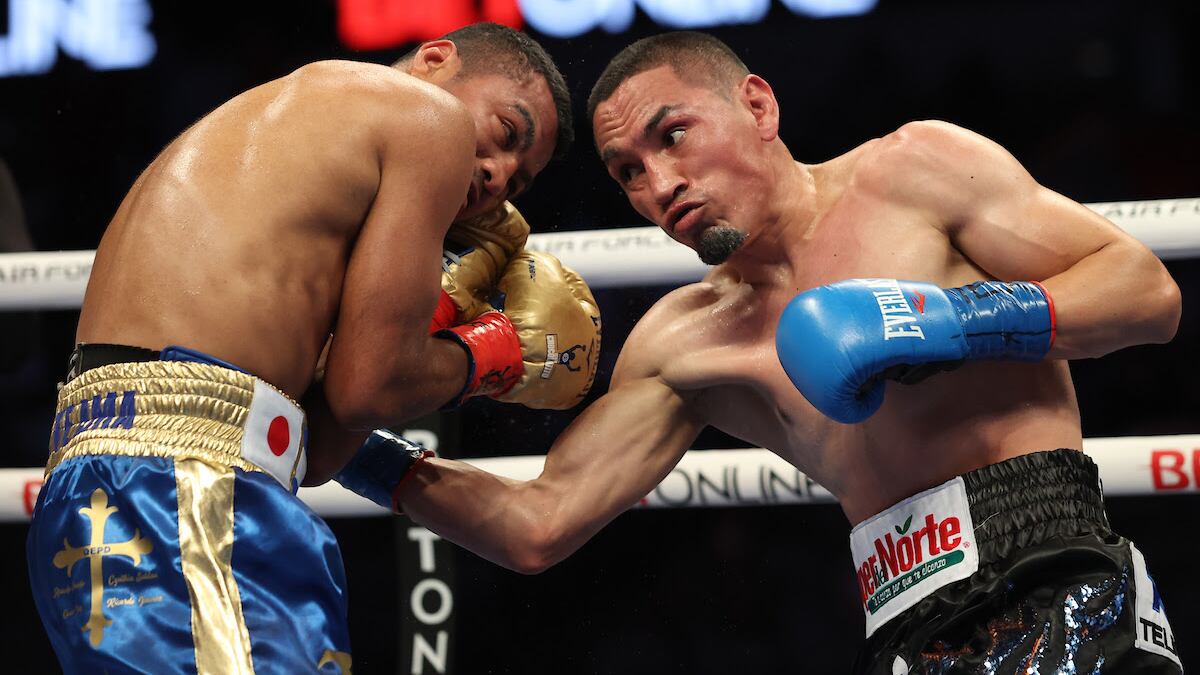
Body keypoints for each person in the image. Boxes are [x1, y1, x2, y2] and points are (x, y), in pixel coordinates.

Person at [351, 32, 1183, 673]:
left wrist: (953, 321)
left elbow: (1147, 292)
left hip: (1054, 571)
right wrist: (345, 435)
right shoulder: (686, 341)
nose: (659, 186)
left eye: (674, 135)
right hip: (902, 624)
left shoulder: (915, 173)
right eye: (628, 172)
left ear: (757, 105)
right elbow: (537, 523)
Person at [26, 23, 602, 673]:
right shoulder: (427, 117)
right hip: (186, 495)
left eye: (519, 183)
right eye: (506, 131)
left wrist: (439, 309)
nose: (499, 174)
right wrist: (489, 355)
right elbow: (370, 388)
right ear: (436, 59)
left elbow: (323, 447)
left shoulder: (292, 149)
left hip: (110, 489)